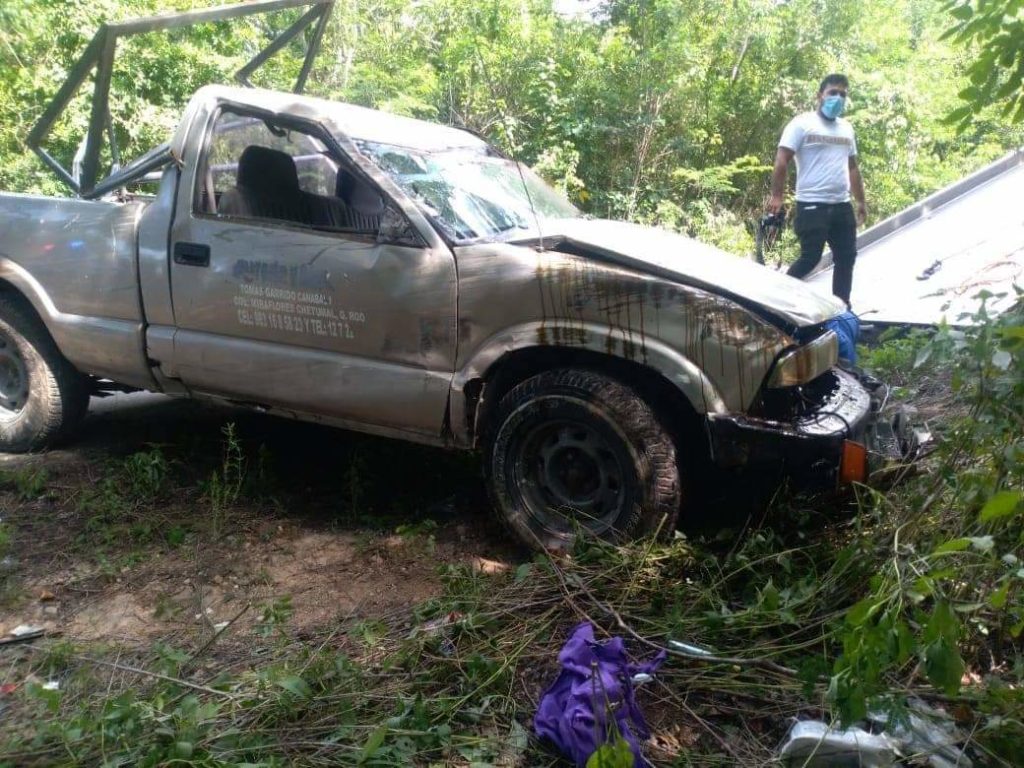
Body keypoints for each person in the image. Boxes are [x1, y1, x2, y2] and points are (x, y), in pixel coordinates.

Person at [767, 73, 867, 307]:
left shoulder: (846, 129)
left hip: (841, 205)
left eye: (842, 94)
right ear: (820, 95)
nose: (838, 98)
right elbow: (782, 160)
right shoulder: (802, 124)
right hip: (812, 205)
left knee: (846, 257)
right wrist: (777, 196)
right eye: (833, 93)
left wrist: (861, 201)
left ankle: (841, 308)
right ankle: (778, 301)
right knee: (810, 258)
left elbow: (852, 167)